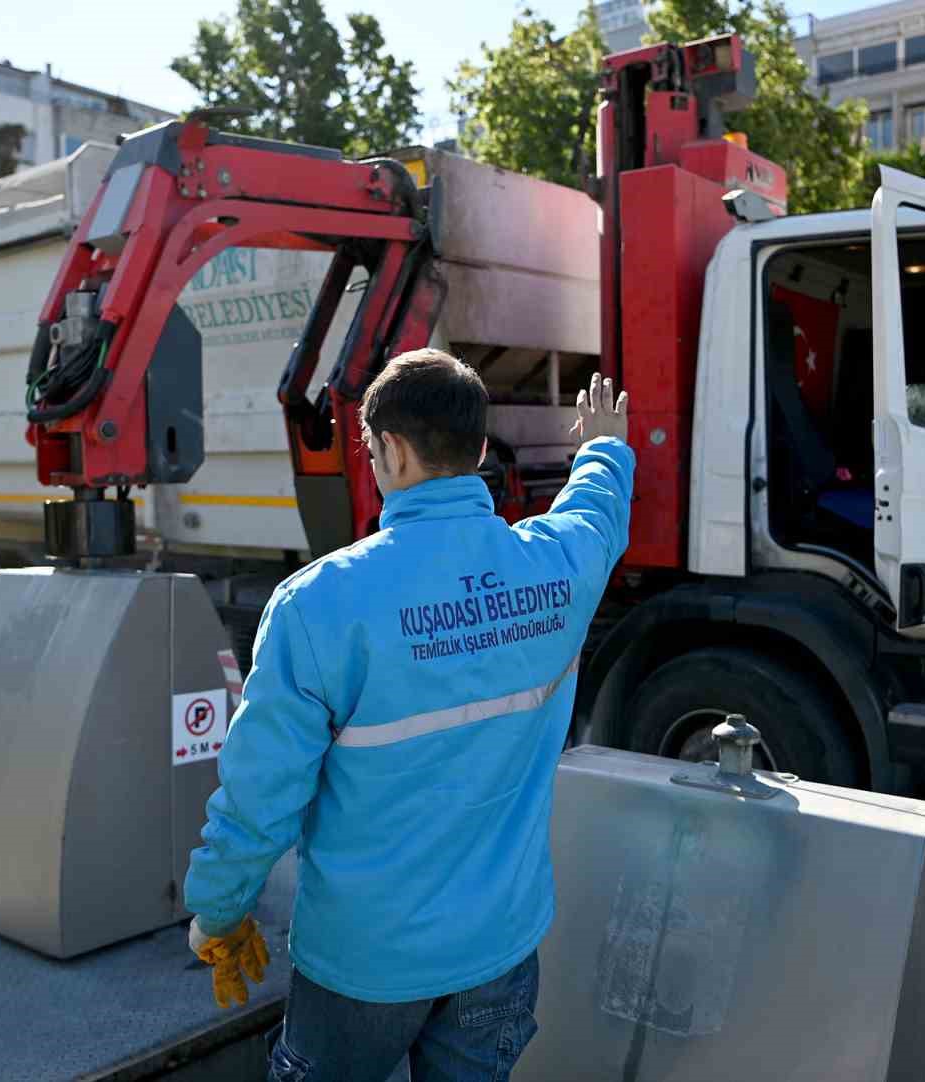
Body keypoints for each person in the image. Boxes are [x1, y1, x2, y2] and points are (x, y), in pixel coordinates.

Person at [184, 349, 635, 1082]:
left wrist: (219, 909)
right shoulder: (555, 569)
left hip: (365, 961)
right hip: (501, 948)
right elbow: (596, 515)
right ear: (480, 448)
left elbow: (260, 797)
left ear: (388, 448)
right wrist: (605, 448)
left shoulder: (320, 604)